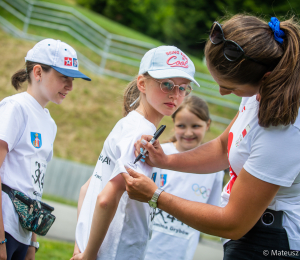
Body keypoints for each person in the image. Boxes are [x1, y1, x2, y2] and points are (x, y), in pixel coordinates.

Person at [122, 15, 300, 259]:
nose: (222, 92)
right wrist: (165, 160)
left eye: (231, 87)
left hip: (271, 244)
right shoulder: (257, 91)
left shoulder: (284, 131)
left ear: (266, 78)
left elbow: (233, 223)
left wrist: (156, 197)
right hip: (251, 235)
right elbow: (223, 148)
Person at [71, 46, 199, 260]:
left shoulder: (127, 124)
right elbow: (105, 198)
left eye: (183, 88)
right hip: (114, 252)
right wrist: (89, 254)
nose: (175, 94)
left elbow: (87, 189)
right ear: (142, 83)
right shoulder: (142, 134)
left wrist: (81, 246)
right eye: (166, 84)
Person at [0, 38, 91, 260]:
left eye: (73, 79)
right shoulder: (15, 108)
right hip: (5, 230)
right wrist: (0, 238)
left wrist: (32, 243)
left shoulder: (49, 123)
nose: (70, 86)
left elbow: (33, 188)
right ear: (38, 72)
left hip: (22, 235)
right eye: (64, 78)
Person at [144, 95, 224, 260]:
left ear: (207, 124)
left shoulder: (214, 169)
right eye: (182, 126)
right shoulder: (157, 155)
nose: (188, 133)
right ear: (173, 124)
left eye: (195, 126)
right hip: (145, 251)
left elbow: (211, 213)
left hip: (181, 254)